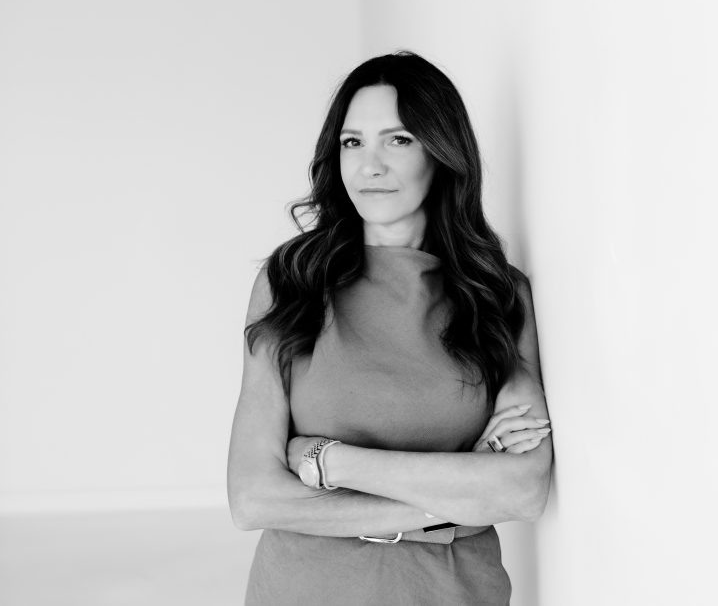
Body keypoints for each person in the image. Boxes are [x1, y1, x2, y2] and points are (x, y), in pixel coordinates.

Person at [227, 51, 553, 606]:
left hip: (453, 592)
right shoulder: (291, 282)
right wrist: (456, 499)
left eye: (398, 140)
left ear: (441, 152)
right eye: (352, 142)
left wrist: (327, 461)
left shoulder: (499, 296)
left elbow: (521, 489)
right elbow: (254, 498)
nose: (368, 165)